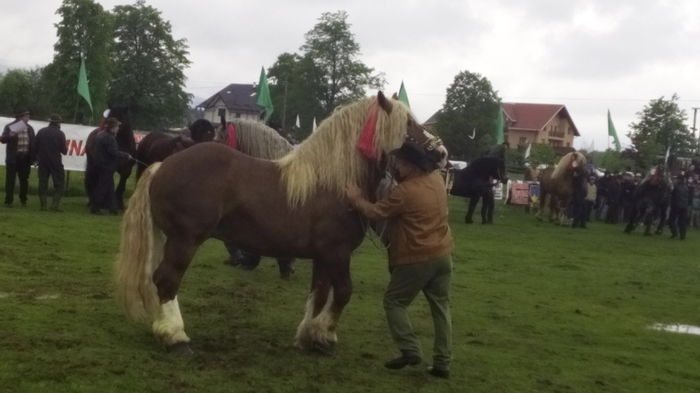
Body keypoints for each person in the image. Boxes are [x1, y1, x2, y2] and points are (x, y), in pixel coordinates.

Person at [345, 144, 454, 379]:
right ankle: (442, 363)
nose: (395, 167)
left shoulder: (405, 192)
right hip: (443, 255)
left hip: (416, 257)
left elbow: (375, 213)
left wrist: (356, 199)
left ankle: (410, 349)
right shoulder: (436, 180)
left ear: (408, 165)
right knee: (441, 309)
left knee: (394, 302)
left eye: (398, 163)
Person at [90, 117, 130, 215]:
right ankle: (95, 207)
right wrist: (126, 155)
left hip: (100, 164)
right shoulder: (110, 138)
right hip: (107, 166)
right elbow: (113, 152)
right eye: (117, 126)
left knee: (110, 187)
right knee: (103, 187)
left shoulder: (100, 134)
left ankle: (113, 208)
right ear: (112, 127)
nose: (118, 128)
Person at [32, 114, 68, 211]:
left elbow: (34, 147)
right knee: (59, 184)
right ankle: (54, 206)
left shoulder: (41, 132)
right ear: (58, 123)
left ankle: (43, 206)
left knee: (43, 183)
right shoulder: (60, 134)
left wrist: (34, 159)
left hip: (43, 162)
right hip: (56, 162)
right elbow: (64, 151)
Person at [1, 110, 35, 207]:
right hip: (13, 158)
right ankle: (8, 201)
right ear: (20, 117)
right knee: (10, 180)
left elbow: (33, 143)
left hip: (25, 158)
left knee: (24, 180)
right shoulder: (10, 126)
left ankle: (23, 200)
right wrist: (9, 135)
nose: (28, 118)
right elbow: (3, 139)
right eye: (27, 116)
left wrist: (34, 157)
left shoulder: (30, 128)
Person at [668, 175, 691, 240]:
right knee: (682, 222)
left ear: (679, 180)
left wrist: (670, 186)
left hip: (676, 206)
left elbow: (671, 193)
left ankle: (674, 233)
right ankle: (682, 236)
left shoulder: (676, 187)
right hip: (684, 207)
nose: (676, 180)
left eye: (677, 179)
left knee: (671, 221)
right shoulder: (686, 187)